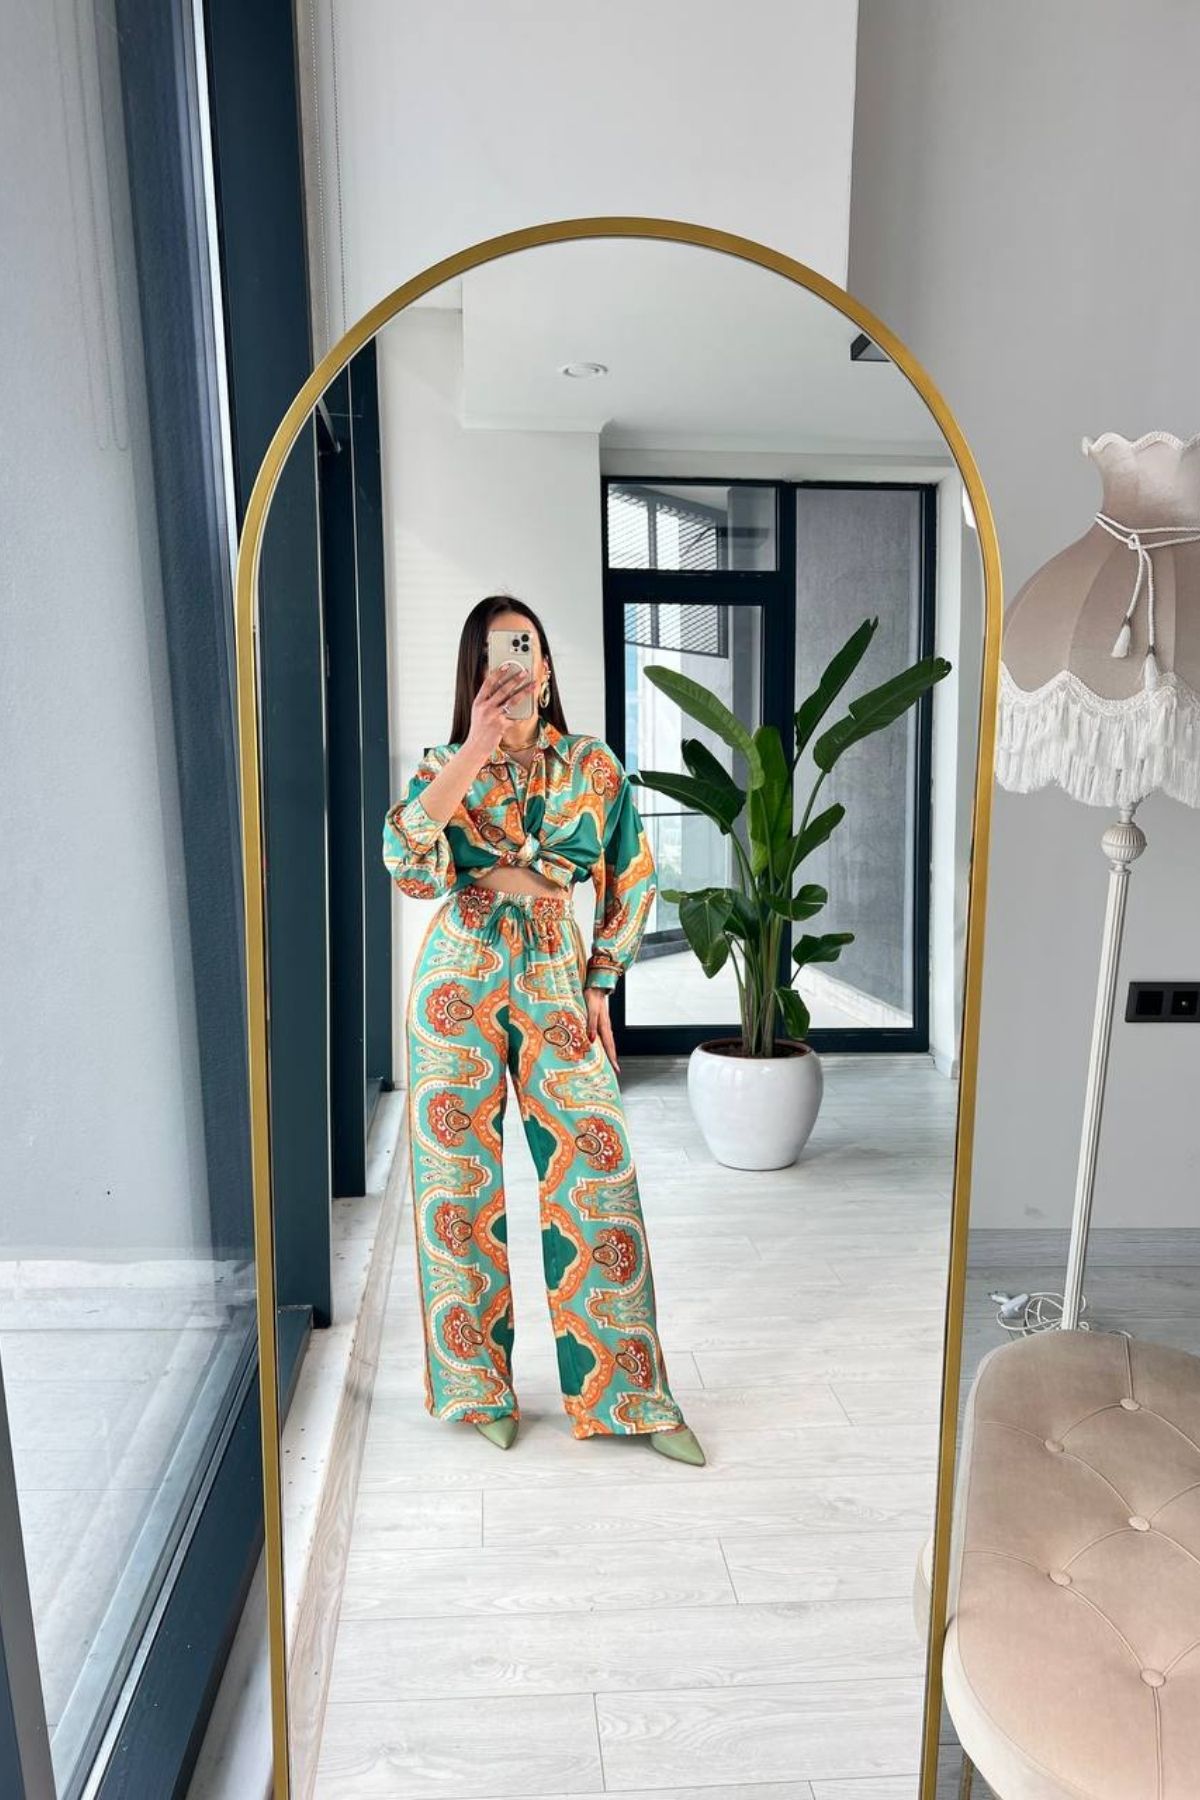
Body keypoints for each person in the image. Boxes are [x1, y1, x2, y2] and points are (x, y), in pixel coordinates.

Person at [382, 594, 706, 1465]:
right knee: (457, 1185)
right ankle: (476, 1387)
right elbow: (409, 864)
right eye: (494, 656)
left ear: (548, 667)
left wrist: (601, 980)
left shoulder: (594, 766)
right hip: (459, 973)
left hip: (556, 973)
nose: (513, 668)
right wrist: (476, 747)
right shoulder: (443, 767)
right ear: (473, 676)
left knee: (598, 1169)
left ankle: (629, 1393)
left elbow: (632, 874)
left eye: (524, 650)